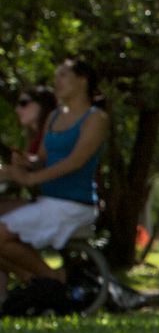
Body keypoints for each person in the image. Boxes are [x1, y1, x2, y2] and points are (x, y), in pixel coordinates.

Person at [0, 57, 111, 285]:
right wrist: (24, 163)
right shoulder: (54, 117)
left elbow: (75, 162)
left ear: (82, 80)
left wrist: (32, 178)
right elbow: (42, 158)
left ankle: (53, 278)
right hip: (49, 201)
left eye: (63, 75)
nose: (57, 81)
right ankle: (37, 280)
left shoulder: (95, 118)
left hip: (73, 205)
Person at [2, 84, 57, 221]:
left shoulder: (53, 132)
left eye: (24, 103)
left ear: (42, 104)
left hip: (59, 204)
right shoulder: (33, 138)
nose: (18, 109)